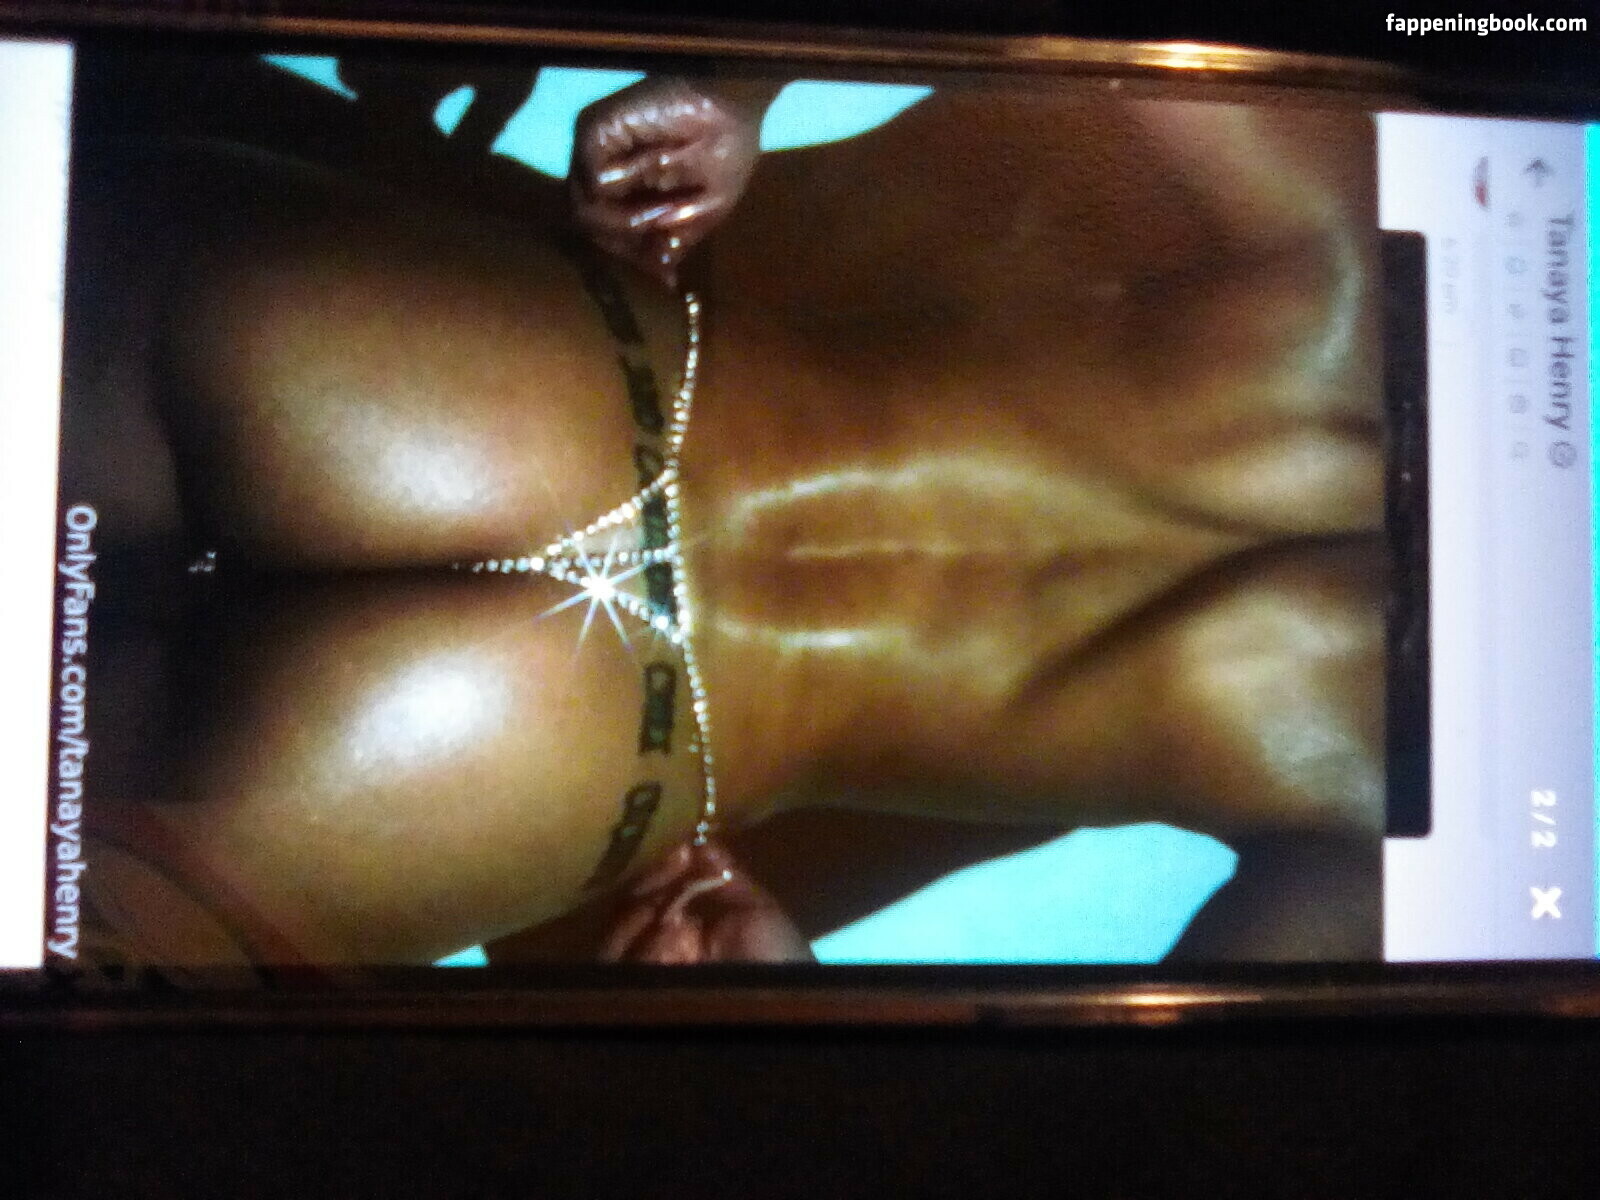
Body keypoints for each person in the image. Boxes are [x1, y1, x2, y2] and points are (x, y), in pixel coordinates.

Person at [66, 58, 1385, 970]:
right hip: (588, 757)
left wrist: (737, 76)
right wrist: (791, 1023)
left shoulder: (1372, 284)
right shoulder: (1410, 816)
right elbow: (1152, 1138)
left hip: (554, 392)